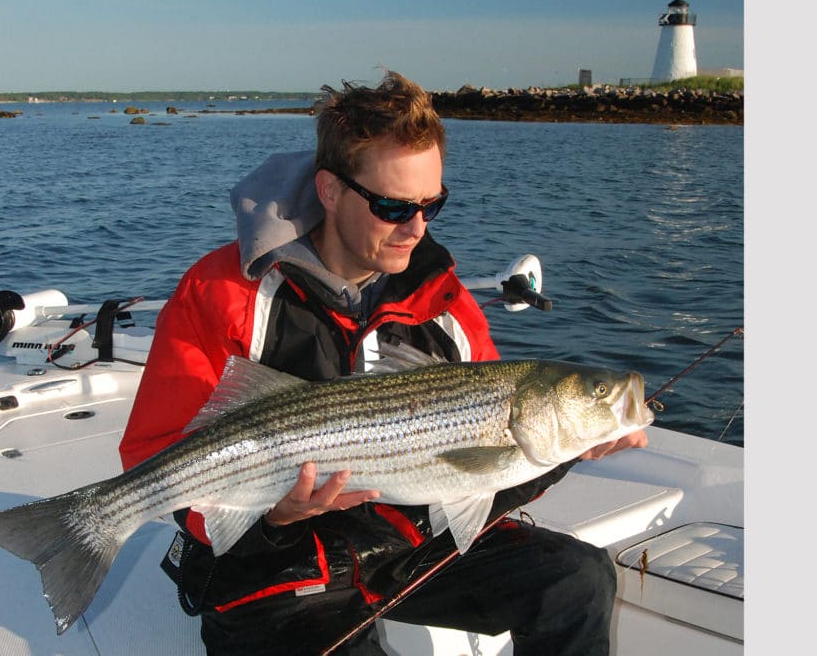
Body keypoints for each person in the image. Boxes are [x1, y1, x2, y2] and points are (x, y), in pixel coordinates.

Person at [119, 70, 648, 655]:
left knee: (576, 580)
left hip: (400, 544)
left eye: (431, 204)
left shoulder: (445, 303)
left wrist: (567, 449)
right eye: (394, 206)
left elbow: (488, 474)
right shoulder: (222, 293)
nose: (416, 229)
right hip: (273, 566)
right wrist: (275, 516)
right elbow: (156, 453)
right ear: (330, 190)